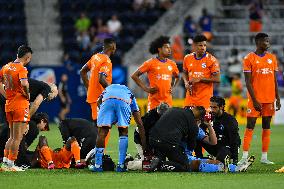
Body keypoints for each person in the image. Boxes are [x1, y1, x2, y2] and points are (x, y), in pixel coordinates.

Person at [239, 33, 281, 165]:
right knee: (250, 126)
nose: (268, 43)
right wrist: (255, 100)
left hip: (269, 99)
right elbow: (248, 82)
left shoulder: (272, 58)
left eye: (268, 41)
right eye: (265, 41)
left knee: (266, 126)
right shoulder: (249, 58)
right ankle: (244, 157)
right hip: (255, 99)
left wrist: (277, 98)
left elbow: (274, 80)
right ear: (258, 42)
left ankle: (264, 157)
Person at [89, 84, 146, 172]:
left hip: (107, 101)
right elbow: (139, 123)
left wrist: (108, 118)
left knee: (102, 132)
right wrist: (144, 145)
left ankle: (97, 166)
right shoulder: (130, 94)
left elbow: (98, 102)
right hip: (124, 102)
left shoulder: (108, 89)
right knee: (123, 132)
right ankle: (121, 165)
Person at [0, 45, 32, 171]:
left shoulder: (6, 67)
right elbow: (24, 83)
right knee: (17, 137)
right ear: (27, 57)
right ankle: (12, 164)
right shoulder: (21, 69)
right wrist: (27, 94)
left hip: (9, 104)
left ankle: (6, 163)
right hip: (20, 105)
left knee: (12, 137)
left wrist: (6, 95)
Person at [131, 36, 179, 111]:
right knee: (153, 123)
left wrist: (173, 87)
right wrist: (146, 88)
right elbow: (134, 76)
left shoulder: (172, 64)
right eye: (166, 47)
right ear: (159, 49)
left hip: (168, 102)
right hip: (154, 103)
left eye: (169, 47)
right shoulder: (150, 63)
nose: (169, 49)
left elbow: (177, 77)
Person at [194, 96, 241, 165]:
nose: (212, 110)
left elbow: (234, 139)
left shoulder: (230, 120)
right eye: (211, 107)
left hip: (226, 147)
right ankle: (199, 158)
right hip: (215, 145)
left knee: (220, 162)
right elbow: (201, 131)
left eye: (215, 107)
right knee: (197, 135)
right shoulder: (209, 116)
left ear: (221, 107)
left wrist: (235, 159)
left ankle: (225, 160)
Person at [80, 38, 116, 124]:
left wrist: (89, 88)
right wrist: (112, 93)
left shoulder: (95, 57)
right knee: (102, 127)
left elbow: (82, 71)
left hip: (93, 96)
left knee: (98, 125)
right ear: (112, 47)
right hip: (101, 98)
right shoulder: (106, 60)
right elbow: (101, 79)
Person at [182, 34, 220, 109]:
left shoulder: (211, 60)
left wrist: (200, 79)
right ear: (194, 46)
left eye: (204, 45)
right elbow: (184, 73)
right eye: (200, 45)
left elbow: (217, 79)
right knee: (188, 120)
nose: (203, 48)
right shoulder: (187, 58)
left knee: (204, 121)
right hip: (190, 99)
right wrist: (186, 83)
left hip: (205, 100)